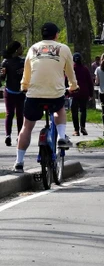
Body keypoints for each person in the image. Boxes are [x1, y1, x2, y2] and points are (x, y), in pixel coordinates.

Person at [14, 23, 77, 173]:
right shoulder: (63, 48)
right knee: (60, 108)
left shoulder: (33, 48)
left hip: (34, 94)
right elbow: (70, 71)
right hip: (55, 93)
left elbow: (27, 72)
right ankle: (61, 137)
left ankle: (19, 162)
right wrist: (73, 86)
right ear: (56, 35)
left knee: (26, 127)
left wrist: (24, 86)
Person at [1, 41, 25, 147]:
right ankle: (12, 136)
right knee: (15, 114)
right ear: (16, 50)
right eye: (20, 48)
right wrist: (2, 74)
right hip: (13, 92)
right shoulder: (6, 62)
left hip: (16, 92)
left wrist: (25, 71)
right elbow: (2, 78)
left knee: (13, 114)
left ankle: (14, 136)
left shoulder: (22, 62)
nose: (22, 50)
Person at [68, 53, 94, 137]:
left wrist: (66, 91)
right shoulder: (85, 69)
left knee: (74, 112)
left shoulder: (71, 69)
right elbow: (90, 82)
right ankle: (83, 127)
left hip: (73, 93)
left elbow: (65, 79)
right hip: (84, 93)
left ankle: (76, 130)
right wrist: (91, 93)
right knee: (83, 111)